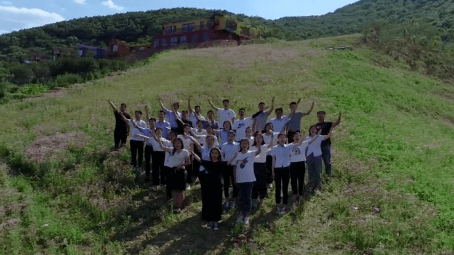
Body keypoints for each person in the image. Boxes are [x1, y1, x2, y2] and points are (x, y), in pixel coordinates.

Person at [228, 138, 261, 224]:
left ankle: (246, 215)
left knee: (248, 197)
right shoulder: (237, 155)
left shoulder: (251, 153)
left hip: (249, 179)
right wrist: (235, 178)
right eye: (242, 143)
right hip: (240, 179)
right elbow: (232, 165)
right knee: (241, 197)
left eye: (246, 143)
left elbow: (259, 151)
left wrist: (259, 142)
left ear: (248, 145)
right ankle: (240, 214)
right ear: (240, 145)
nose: (244, 145)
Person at [190, 146, 224, 230]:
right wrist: (193, 153)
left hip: (217, 187)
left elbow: (229, 164)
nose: (214, 155)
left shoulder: (221, 163)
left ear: (219, 155)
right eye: (213, 153)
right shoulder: (208, 163)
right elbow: (200, 160)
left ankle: (216, 221)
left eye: (216, 153)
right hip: (208, 187)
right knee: (209, 203)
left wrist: (236, 155)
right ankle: (210, 221)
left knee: (216, 203)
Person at [118, 110, 155, 182]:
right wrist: (121, 114)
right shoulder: (132, 121)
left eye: (138, 114)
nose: (137, 115)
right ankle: (134, 165)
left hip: (141, 141)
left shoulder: (143, 123)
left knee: (140, 154)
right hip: (133, 140)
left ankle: (140, 165)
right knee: (133, 153)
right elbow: (125, 120)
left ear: (141, 115)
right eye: (136, 114)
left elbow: (146, 129)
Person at [157, 137, 191, 213]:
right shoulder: (172, 150)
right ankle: (176, 205)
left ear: (181, 144)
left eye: (178, 143)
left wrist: (182, 165)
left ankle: (179, 205)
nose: (176, 144)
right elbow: (163, 148)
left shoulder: (185, 151)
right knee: (175, 190)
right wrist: (159, 140)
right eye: (175, 143)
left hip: (180, 172)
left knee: (180, 190)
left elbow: (188, 162)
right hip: (173, 171)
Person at [289, 131, 319, 205]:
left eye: (298, 136)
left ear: (300, 137)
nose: (296, 137)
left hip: (301, 163)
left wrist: (318, 134)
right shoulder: (289, 145)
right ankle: (295, 193)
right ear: (293, 138)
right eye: (295, 136)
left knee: (301, 179)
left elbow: (312, 140)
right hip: (292, 164)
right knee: (293, 180)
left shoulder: (304, 143)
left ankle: (301, 194)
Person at [306, 125, 334, 191]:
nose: (312, 130)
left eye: (314, 129)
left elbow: (327, 136)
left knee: (318, 171)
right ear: (309, 131)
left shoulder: (320, 137)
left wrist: (331, 130)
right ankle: (312, 184)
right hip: (309, 156)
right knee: (311, 171)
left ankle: (318, 185)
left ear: (316, 130)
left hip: (317, 156)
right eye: (311, 129)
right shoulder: (307, 138)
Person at [314, 111, 341, 177]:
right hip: (318, 146)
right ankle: (318, 175)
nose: (320, 116)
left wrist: (339, 117)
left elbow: (336, 123)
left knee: (327, 160)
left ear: (324, 116)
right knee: (318, 161)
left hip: (326, 144)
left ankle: (328, 175)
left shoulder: (328, 124)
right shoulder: (315, 126)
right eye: (319, 114)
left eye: (322, 114)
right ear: (317, 116)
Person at [250, 132, 273, 208]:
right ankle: (254, 199)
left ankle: (261, 199)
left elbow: (272, 145)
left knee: (262, 183)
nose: (258, 139)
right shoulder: (252, 148)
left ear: (262, 139)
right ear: (255, 139)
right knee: (254, 183)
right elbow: (250, 158)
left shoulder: (264, 146)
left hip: (262, 166)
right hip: (254, 166)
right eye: (257, 138)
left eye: (260, 138)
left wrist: (272, 136)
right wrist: (257, 153)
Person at [271, 133, 292, 214]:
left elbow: (291, 157)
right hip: (277, 169)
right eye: (280, 138)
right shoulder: (275, 148)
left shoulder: (289, 147)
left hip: (286, 168)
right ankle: (278, 203)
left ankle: (285, 203)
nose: (282, 139)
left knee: (285, 187)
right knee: (278, 187)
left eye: (284, 137)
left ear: (286, 139)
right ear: (278, 139)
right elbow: (273, 160)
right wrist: (273, 171)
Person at [220, 130, 239, 209]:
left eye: (232, 136)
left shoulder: (238, 145)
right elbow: (222, 155)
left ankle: (234, 199)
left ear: (234, 137)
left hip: (234, 166)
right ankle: (227, 199)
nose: (231, 138)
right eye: (229, 136)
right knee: (226, 183)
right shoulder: (223, 145)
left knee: (234, 183)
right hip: (226, 165)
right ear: (227, 137)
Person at [176, 124, 195, 189]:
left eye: (188, 128)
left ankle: (188, 183)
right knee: (181, 169)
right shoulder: (179, 136)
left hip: (188, 154)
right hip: (180, 154)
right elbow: (176, 144)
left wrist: (192, 154)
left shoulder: (191, 137)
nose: (187, 129)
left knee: (189, 169)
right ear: (183, 129)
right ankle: (181, 182)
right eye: (186, 128)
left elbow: (192, 146)